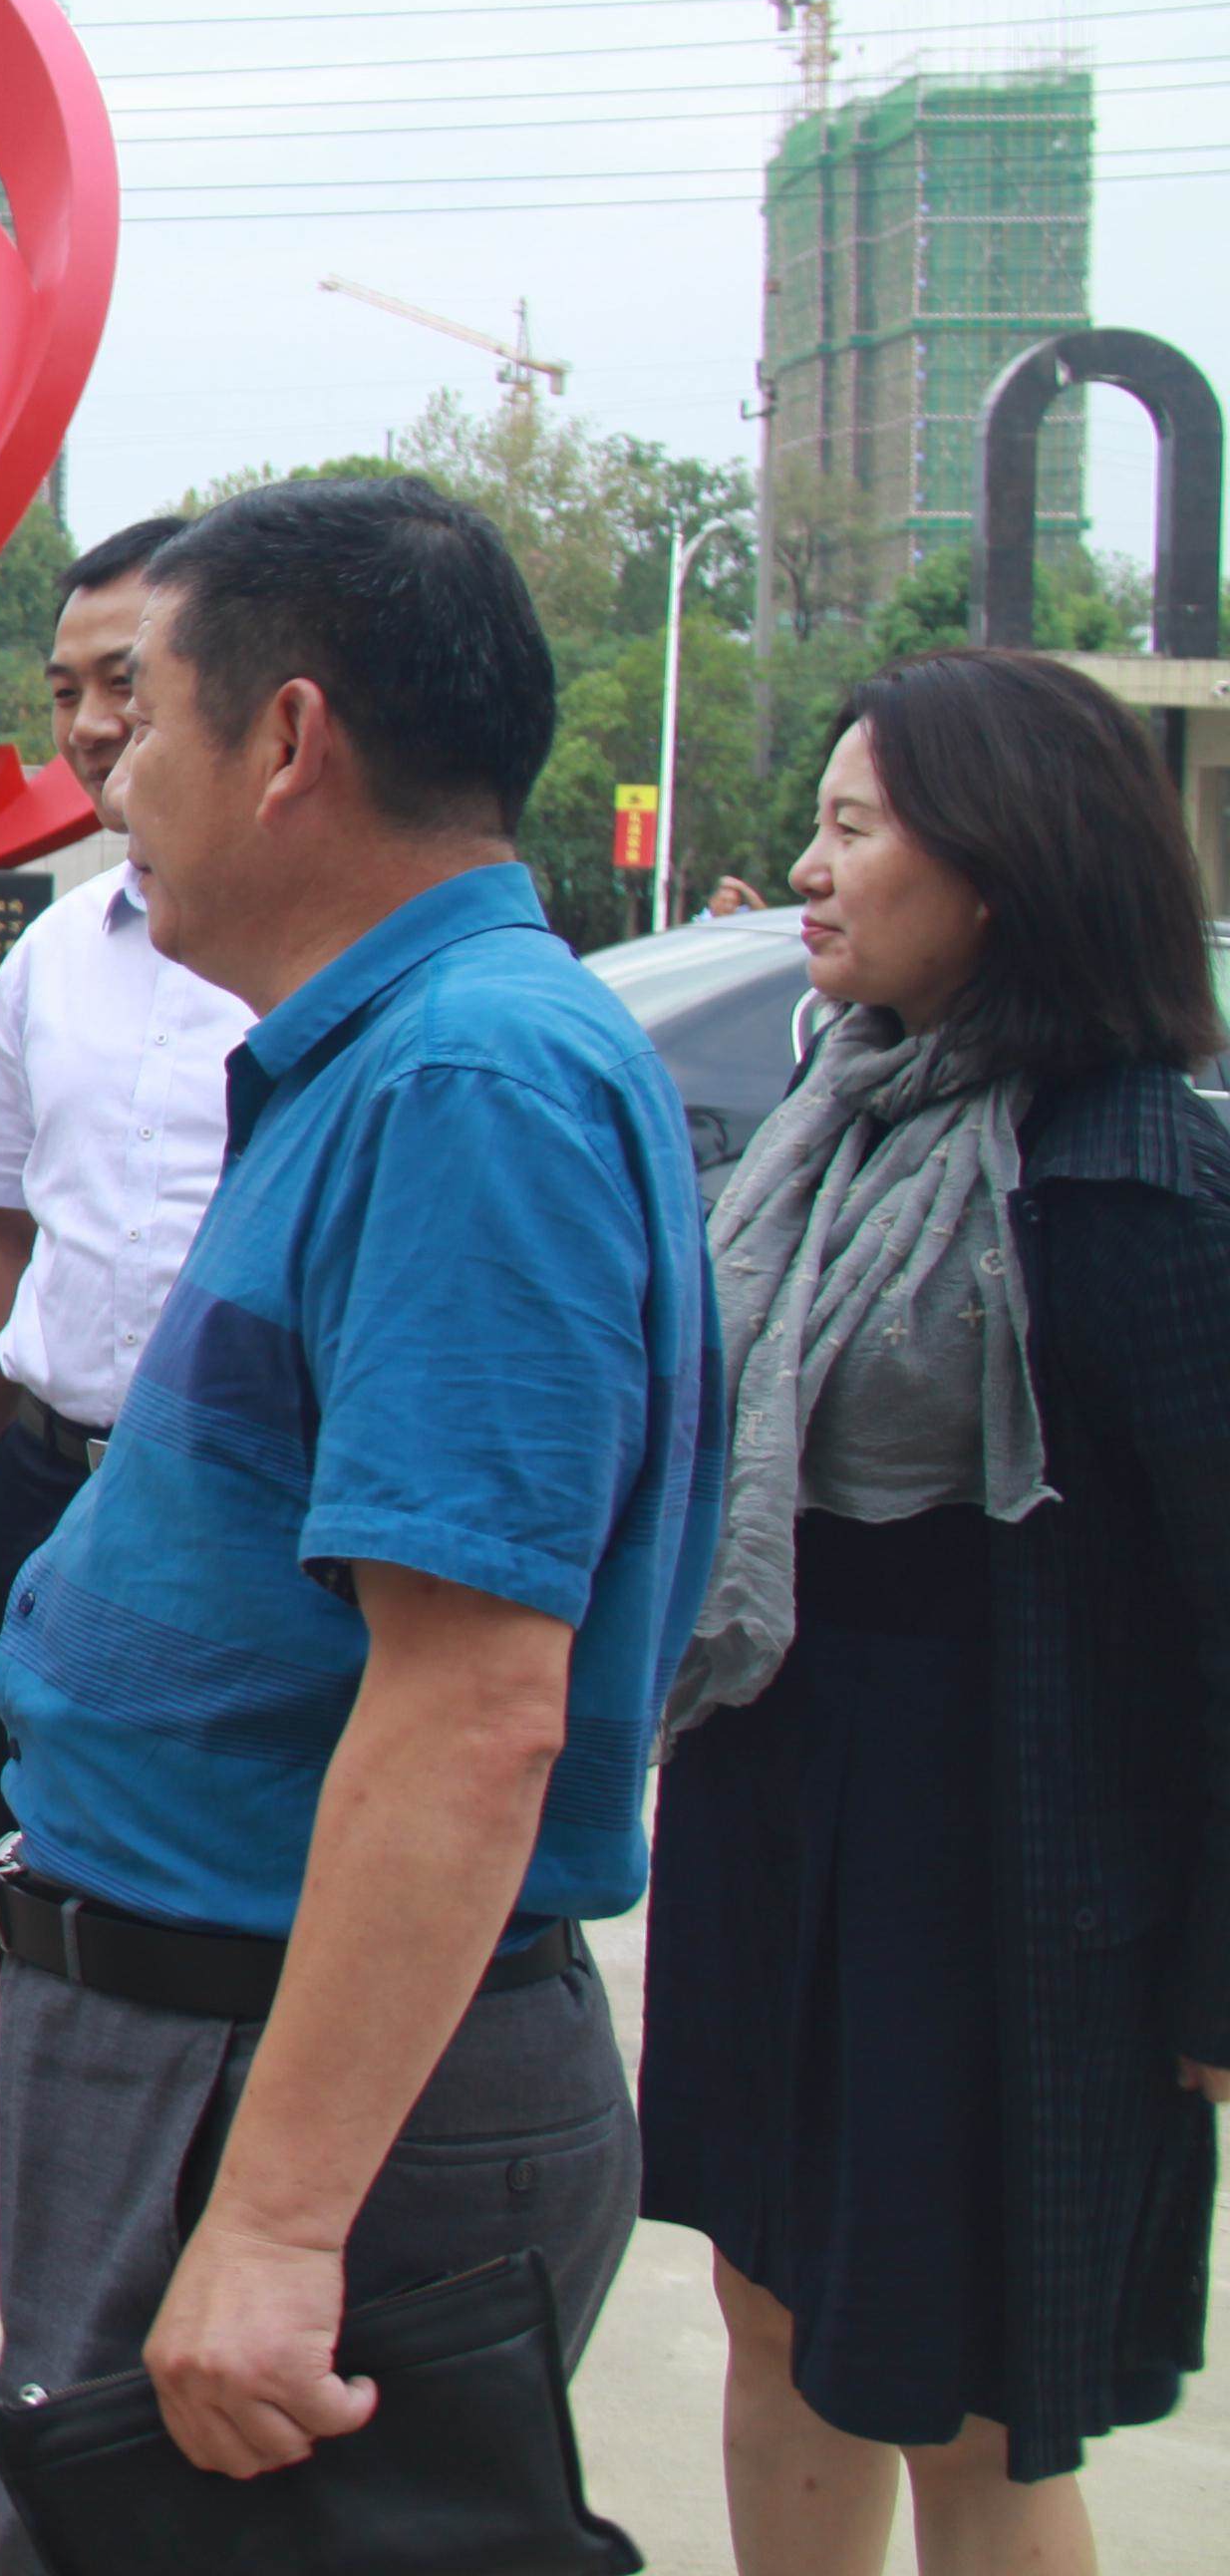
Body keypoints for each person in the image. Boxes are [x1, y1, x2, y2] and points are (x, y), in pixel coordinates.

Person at [0, 478, 719, 2574]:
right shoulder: (389, 1056)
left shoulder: (469, 1085)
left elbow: (477, 1705)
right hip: (201, 2030)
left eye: (149, 718)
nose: (107, 771)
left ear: (288, 741)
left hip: (297, 2082)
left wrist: (282, 2221)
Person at [644, 647, 1230, 2574]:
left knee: (970, 2394)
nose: (805, 871)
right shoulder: (846, 1123)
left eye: (850, 828)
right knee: (774, 2318)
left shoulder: (1130, 1176)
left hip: (1002, 1857)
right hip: (781, 1798)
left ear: (998, 866)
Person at [0, 514, 252, 2510]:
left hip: (248, 1525)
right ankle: (51, 2361)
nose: (98, 726)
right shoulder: (56, 952)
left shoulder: (329, 967)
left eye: (133, 682)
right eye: (71, 693)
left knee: (238, 1957)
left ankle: (237, 2345)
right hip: (52, 1494)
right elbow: (6, 1253)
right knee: (53, 1943)